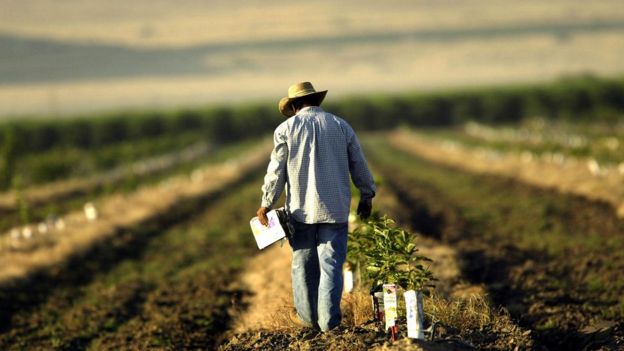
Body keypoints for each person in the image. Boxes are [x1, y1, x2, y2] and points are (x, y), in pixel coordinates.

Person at [257, 81, 376, 332]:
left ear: (294, 106)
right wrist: (367, 195)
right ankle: (329, 325)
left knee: (302, 266)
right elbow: (358, 163)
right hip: (335, 209)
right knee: (332, 266)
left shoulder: (285, 129)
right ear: (315, 101)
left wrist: (266, 203)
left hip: (300, 211)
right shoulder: (340, 125)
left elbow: (276, 171)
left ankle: (308, 322)